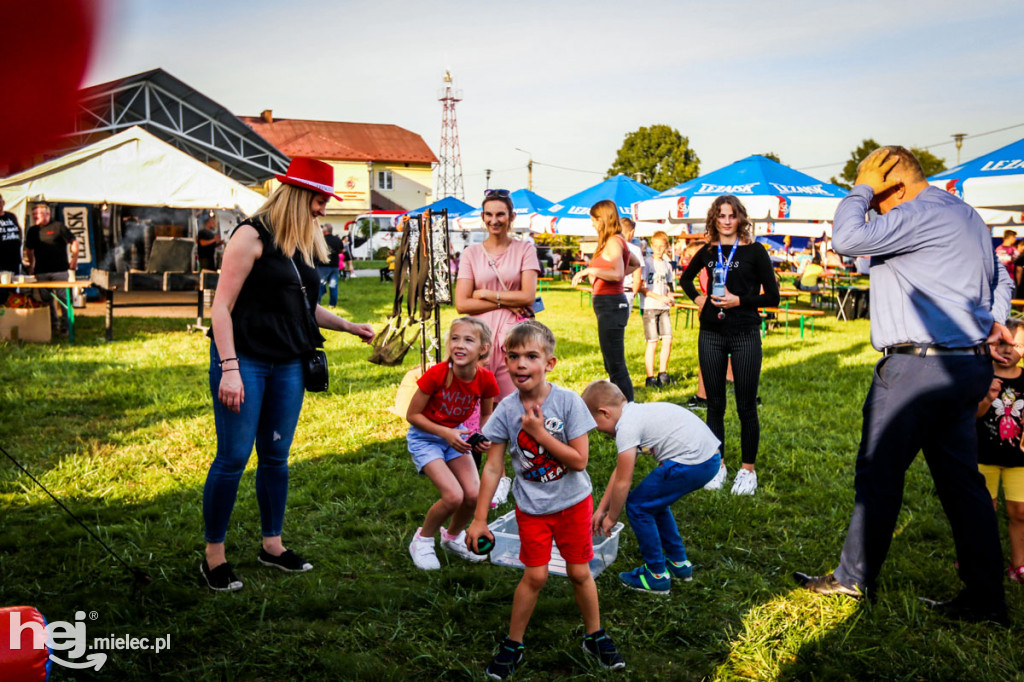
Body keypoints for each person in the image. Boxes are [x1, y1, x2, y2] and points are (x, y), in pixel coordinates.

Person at [793, 146, 1013, 626]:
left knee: (879, 476)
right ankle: (986, 599)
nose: (872, 205)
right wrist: (991, 322)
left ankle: (852, 578)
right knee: (963, 486)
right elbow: (1001, 280)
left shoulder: (915, 211)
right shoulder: (964, 213)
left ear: (893, 184)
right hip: (964, 366)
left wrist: (861, 186)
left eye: (875, 193)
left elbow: (847, 239)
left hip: (917, 370)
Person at [201, 157, 375, 592]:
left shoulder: (300, 242)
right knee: (234, 457)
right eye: (319, 200)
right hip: (245, 362)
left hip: (289, 364)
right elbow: (220, 308)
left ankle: (272, 545)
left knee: (276, 458)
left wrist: (350, 326)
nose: (323, 209)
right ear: (299, 195)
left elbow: (303, 306)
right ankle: (214, 557)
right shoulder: (250, 235)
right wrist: (230, 369)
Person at [466, 321, 625, 679]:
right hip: (532, 509)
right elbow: (492, 469)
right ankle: (514, 643)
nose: (521, 363)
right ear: (505, 360)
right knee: (534, 576)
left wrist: (539, 433)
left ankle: (594, 634)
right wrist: (478, 519)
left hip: (573, 504)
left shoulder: (568, 403)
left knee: (579, 571)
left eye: (531, 356)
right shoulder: (506, 410)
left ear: (549, 363)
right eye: (514, 356)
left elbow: (579, 460)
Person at [679, 195, 779, 495]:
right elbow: (686, 280)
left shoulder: (755, 251)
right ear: (714, 219)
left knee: (746, 406)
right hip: (711, 332)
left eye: (731, 216)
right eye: (720, 216)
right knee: (715, 406)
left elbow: (772, 297)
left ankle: (748, 471)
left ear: (740, 219)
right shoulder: (707, 251)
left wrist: (740, 300)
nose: (726, 221)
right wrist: (699, 299)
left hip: (746, 332)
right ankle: (717, 465)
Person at [583, 380, 720, 595]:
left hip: (691, 463)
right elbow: (619, 472)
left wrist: (612, 518)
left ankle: (656, 575)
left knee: (638, 505)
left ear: (604, 413)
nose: (599, 432)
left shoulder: (626, 427)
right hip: (708, 459)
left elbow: (623, 482)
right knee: (654, 502)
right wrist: (602, 509)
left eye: (597, 426)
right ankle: (679, 564)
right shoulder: (635, 413)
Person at [406, 317, 499, 570]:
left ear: (483, 348)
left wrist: (482, 436)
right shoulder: (437, 374)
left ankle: (451, 537)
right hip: (426, 439)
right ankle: (423, 540)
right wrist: (446, 434)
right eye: (455, 339)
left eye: (468, 340)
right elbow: (412, 416)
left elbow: (486, 415)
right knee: (453, 496)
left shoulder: (486, 379)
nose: (459, 345)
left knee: (473, 495)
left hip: (456, 439)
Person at [455, 189, 540, 399]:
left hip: (513, 337)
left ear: (511, 217)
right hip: (477, 338)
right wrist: (505, 303)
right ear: (482, 217)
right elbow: (462, 304)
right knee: (476, 404)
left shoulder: (525, 249)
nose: (494, 220)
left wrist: (483, 293)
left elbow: (527, 296)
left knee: (510, 403)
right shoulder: (471, 253)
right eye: (489, 214)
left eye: (500, 214)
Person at [572, 200, 641, 401]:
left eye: (594, 220)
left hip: (611, 305)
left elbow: (619, 272)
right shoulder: (617, 240)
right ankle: (618, 408)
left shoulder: (613, 241)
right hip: (609, 305)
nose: (593, 225)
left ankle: (629, 411)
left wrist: (591, 270)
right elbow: (633, 263)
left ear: (603, 219)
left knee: (616, 366)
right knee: (611, 364)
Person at [975, 318, 1024, 586]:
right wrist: (986, 400)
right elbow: (973, 414)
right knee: (984, 510)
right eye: (1002, 343)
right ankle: (980, 559)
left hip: (1019, 461)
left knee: (1020, 512)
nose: (1007, 350)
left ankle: (1019, 564)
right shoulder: (982, 376)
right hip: (985, 456)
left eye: (1015, 345)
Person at [24, 202, 78, 334]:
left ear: (47, 214)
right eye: (34, 214)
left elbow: (74, 241)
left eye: (38, 214)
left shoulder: (58, 227)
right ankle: (52, 326)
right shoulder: (32, 231)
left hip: (59, 271)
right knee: (46, 300)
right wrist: (31, 265)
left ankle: (67, 327)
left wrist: (74, 260)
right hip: (41, 272)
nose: (35, 217)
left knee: (65, 300)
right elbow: (29, 250)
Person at [639, 231, 677, 388]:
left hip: (664, 308)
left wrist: (670, 296)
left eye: (663, 247)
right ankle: (650, 377)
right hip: (650, 307)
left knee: (667, 339)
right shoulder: (647, 263)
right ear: (652, 246)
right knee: (652, 342)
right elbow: (642, 287)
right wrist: (658, 297)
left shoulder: (667, 265)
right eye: (657, 246)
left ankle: (663, 373)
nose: (660, 250)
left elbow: (669, 286)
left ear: (667, 247)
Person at [0, 194, 22, 306]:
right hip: (1, 263)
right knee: (2, 292)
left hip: (14, 261)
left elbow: (19, 230)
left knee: (12, 291)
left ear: (3, 202)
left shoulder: (11, 216)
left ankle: (10, 318)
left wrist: (20, 243)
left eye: (0, 202)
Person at [619, 217, 643, 312]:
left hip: (610, 291)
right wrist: (633, 294)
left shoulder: (609, 246)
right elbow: (637, 278)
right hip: (627, 291)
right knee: (621, 325)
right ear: (631, 232)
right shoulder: (635, 250)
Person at [317, 223, 344, 307]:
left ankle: (317, 303)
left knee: (321, 285)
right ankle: (332, 304)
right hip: (335, 266)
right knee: (333, 286)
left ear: (324, 231)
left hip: (323, 265)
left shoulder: (321, 240)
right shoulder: (337, 239)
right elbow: (342, 250)